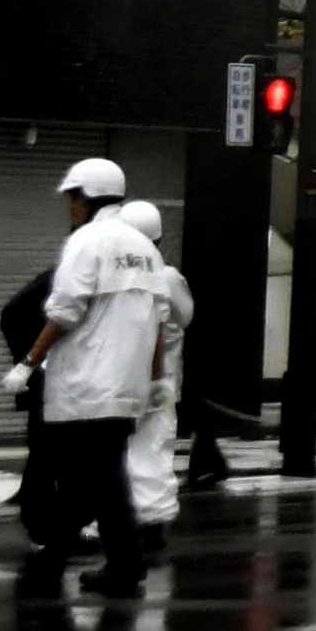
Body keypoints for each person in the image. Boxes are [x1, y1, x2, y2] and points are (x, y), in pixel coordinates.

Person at [6, 158, 163, 612]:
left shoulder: (87, 242)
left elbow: (65, 310)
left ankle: (123, 566)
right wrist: (155, 380)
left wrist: (28, 362)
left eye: (73, 197)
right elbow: (156, 317)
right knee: (96, 472)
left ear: (88, 197)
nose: (70, 206)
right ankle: (75, 550)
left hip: (88, 383)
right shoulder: (143, 247)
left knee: (101, 475)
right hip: (125, 384)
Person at [113, 201, 195, 558]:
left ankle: (112, 521)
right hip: (162, 380)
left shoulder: (113, 274)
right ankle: (153, 523)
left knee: (114, 452)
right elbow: (186, 316)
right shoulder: (169, 277)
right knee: (154, 450)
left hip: (118, 379)